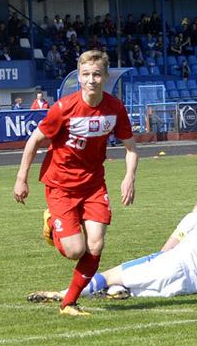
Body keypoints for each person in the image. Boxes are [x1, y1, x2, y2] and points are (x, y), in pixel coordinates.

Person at [13, 50, 138, 316]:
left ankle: (68, 303)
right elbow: (34, 141)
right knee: (75, 250)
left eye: (97, 74)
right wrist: (21, 178)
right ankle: (51, 222)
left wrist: (129, 177)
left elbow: (131, 148)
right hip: (61, 186)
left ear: (106, 77)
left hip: (93, 185)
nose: (91, 80)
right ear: (79, 78)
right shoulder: (63, 108)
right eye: (86, 74)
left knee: (96, 245)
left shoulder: (115, 108)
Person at [27, 198, 197, 302]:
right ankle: (114, 291)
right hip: (187, 288)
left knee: (108, 275)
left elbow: (168, 248)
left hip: (173, 266)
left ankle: (62, 295)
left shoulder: (196, 218)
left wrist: (154, 261)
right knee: (127, 289)